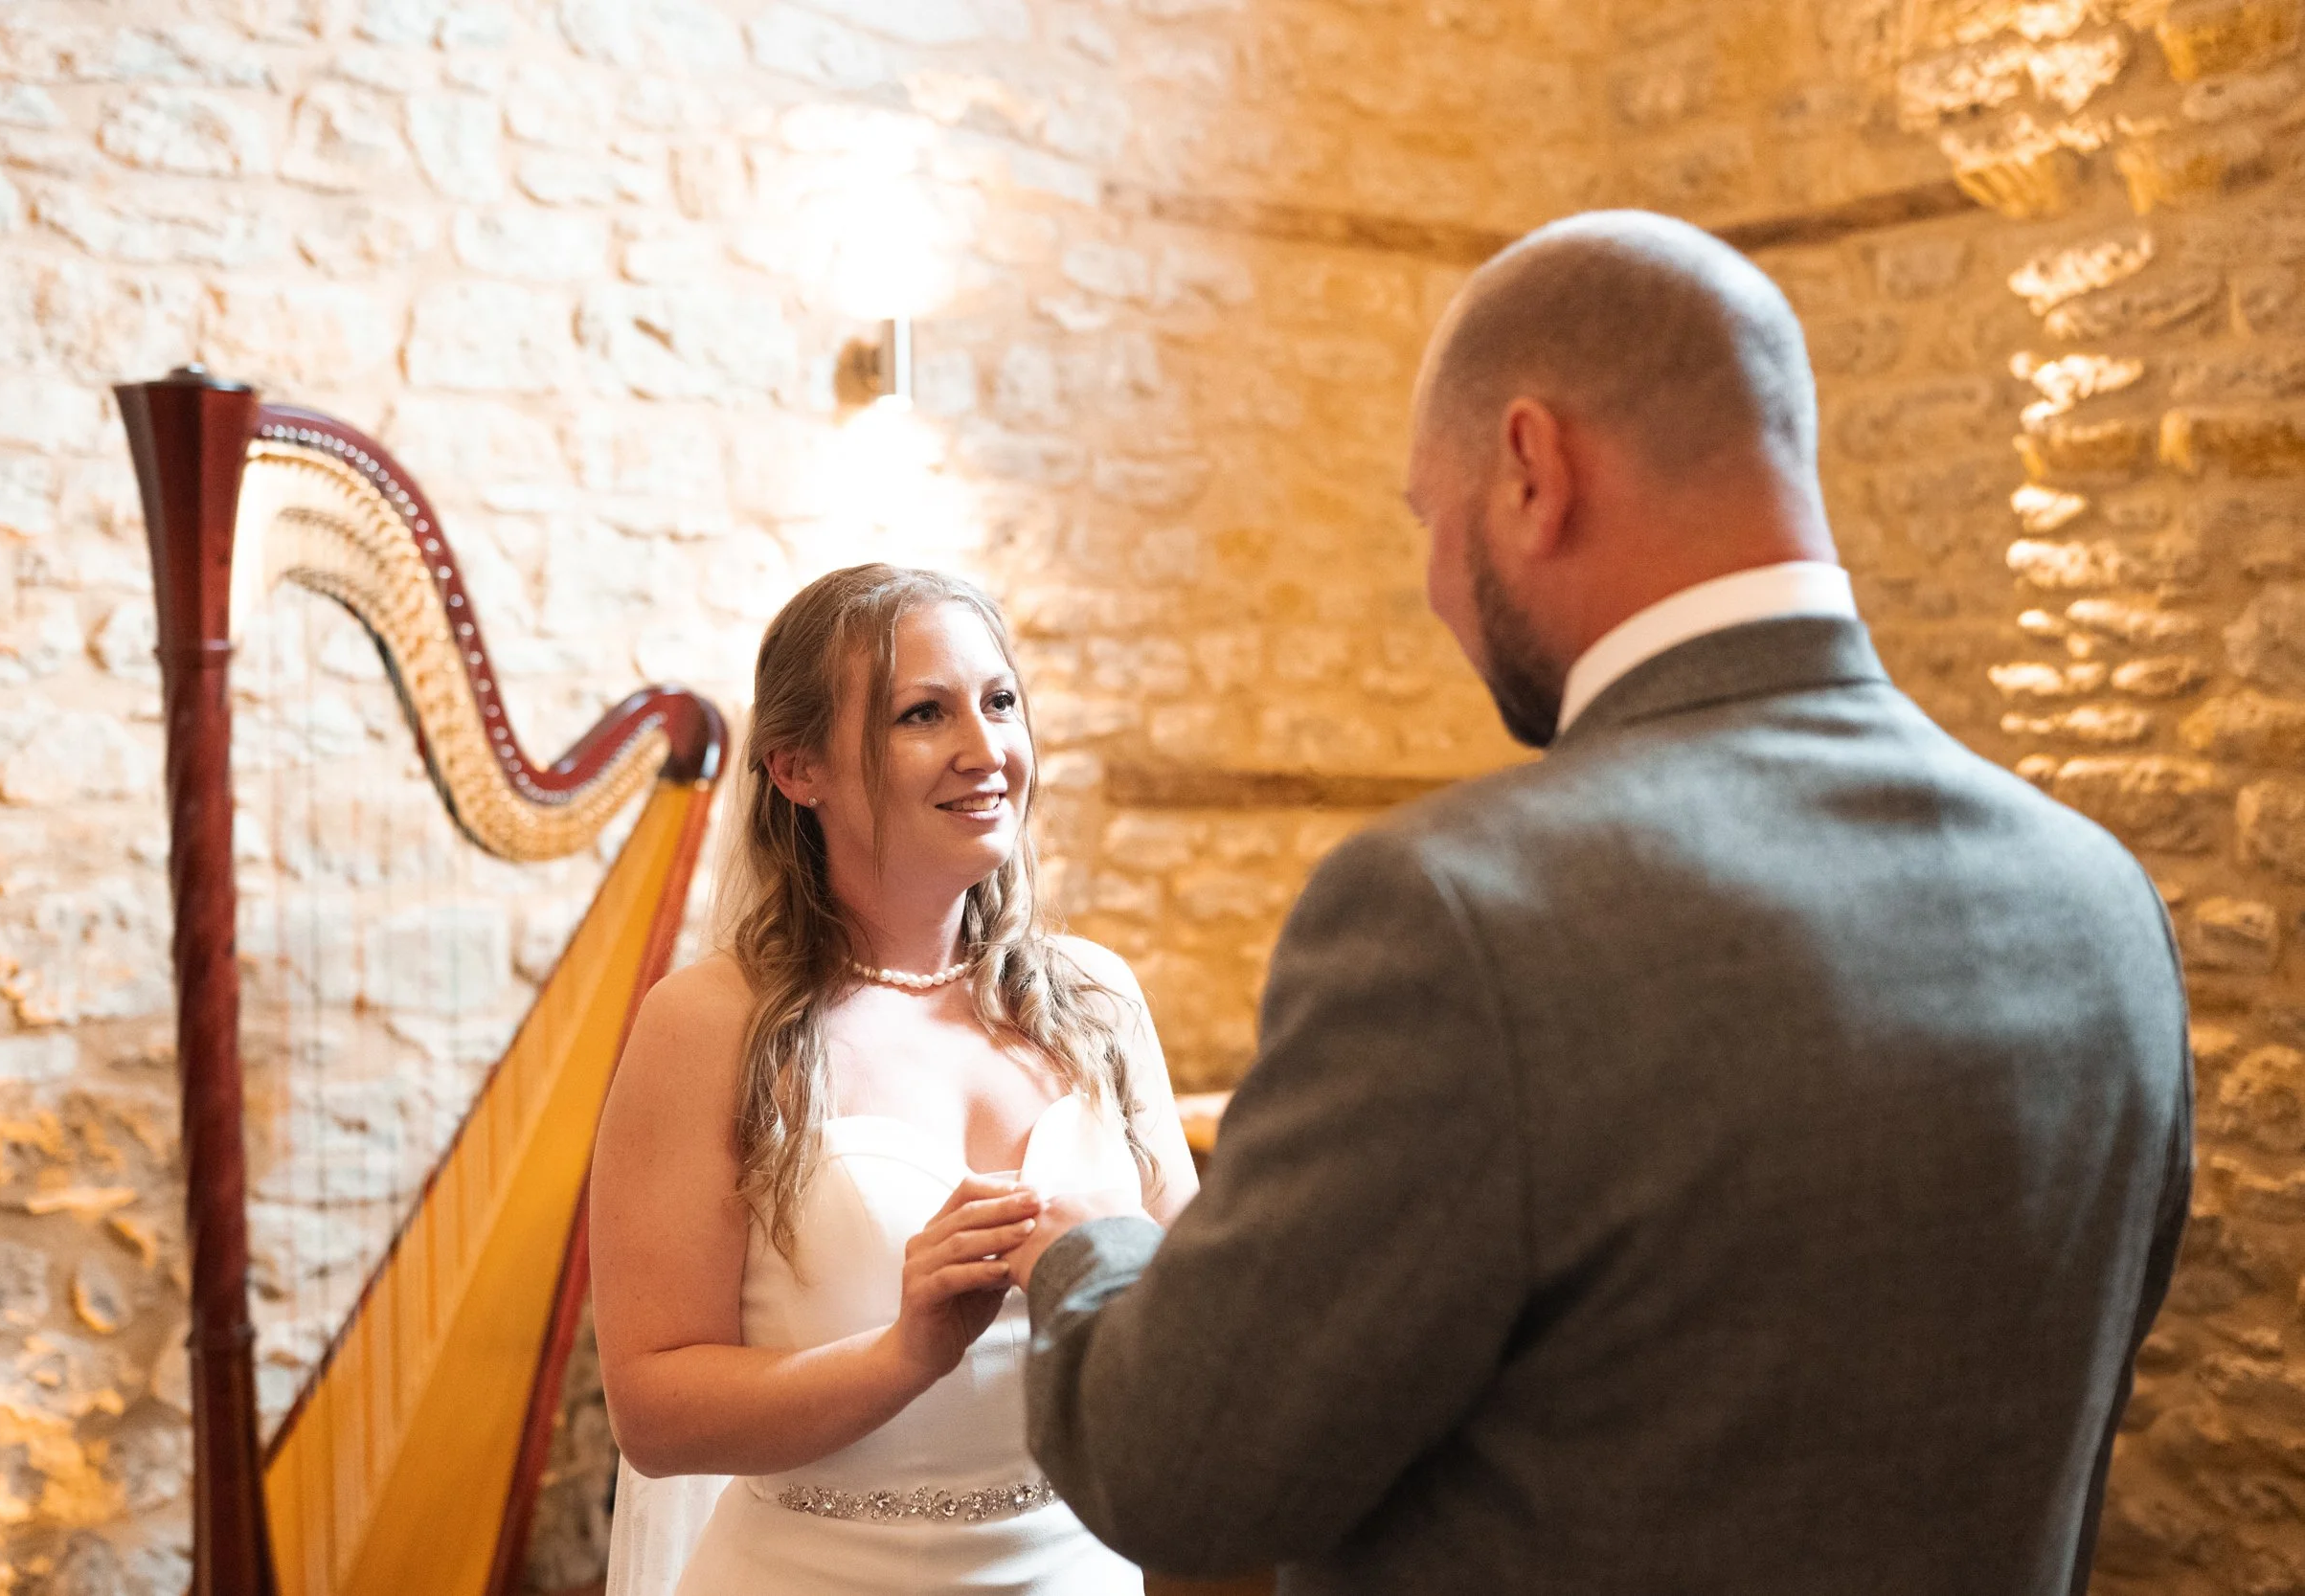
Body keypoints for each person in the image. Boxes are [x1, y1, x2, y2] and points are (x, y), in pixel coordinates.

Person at [1006, 210, 2194, 1594]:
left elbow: (1178, 1468)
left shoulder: (1460, 911)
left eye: (1427, 521)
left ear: (1530, 469)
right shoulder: (2103, 900)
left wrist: (1092, 1246)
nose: (1442, 590)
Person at [591, 564, 1198, 1596]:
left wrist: (1137, 1255)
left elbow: (1201, 1323)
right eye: (924, 712)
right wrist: (905, 1351)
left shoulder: (1097, 995)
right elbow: (654, 1411)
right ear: (796, 768)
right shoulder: (707, 1024)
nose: (986, 749)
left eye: (999, 701)